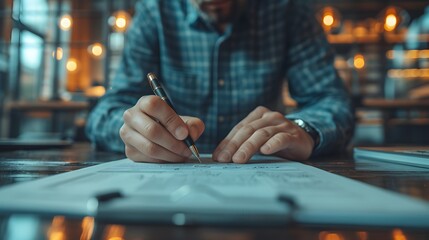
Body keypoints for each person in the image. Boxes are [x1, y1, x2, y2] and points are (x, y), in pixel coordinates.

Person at [86, 0, 354, 164]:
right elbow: (105, 112)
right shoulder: (154, 12)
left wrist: (303, 129)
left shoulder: (290, 11)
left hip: (264, 168)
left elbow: (331, 101)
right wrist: (135, 131)